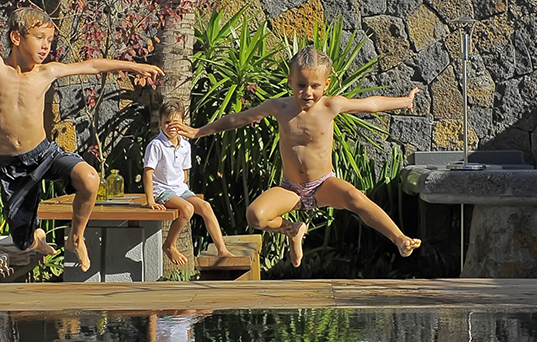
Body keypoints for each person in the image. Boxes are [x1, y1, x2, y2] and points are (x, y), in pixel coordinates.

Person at [0, 0, 164, 272]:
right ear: (16, 37)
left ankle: (76, 237)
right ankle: (37, 240)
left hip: (44, 153)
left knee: (90, 179)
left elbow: (93, 66)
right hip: (12, 166)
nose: (46, 46)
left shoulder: (47, 72)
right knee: (22, 243)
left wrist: (133, 67)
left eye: (50, 39)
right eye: (39, 38)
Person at [176, 46, 422, 267]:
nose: (308, 92)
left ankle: (399, 239)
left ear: (326, 85)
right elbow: (238, 118)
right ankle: (292, 230)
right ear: (289, 81)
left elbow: (372, 104)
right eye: (301, 85)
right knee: (255, 216)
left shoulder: (331, 106)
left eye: (315, 86)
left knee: (355, 197)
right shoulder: (279, 107)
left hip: (323, 184)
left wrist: (404, 100)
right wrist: (199, 131)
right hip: (291, 188)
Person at [143, 101, 236, 265]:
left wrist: (185, 191)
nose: (171, 127)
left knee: (206, 206)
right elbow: (148, 173)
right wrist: (151, 200)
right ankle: (169, 245)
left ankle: (222, 250)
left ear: (183, 124)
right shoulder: (156, 145)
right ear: (160, 123)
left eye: (176, 123)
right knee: (187, 208)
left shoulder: (185, 146)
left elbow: (184, 173)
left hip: (180, 189)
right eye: (166, 123)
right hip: (162, 190)